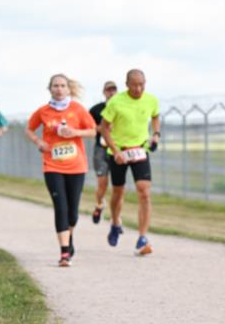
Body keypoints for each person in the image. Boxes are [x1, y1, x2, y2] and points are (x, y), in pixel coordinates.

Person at [26, 74, 97, 267]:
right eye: (55, 86)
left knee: (72, 212)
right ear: (50, 89)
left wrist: (76, 133)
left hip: (76, 166)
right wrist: (38, 141)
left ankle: (69, 238)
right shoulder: (43, 111)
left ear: (68, 89)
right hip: (52, 165)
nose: (58, 89)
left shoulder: (77, 109)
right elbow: (29, 129)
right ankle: (64, 252)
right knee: (61, 208)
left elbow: (93, 130)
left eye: (62, 85)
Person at [100, 69, 160, 255]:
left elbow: (155, 116)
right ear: (127, 84)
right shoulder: (116, 102)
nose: (138, 88)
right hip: (119, 152)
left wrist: (156, 135)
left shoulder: (151, 99)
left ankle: (142, 238)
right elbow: (104, 128)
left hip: (140, 150)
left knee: (144, 192)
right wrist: (116, 151)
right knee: (118, 191)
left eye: (141, 84)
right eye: (134, 85)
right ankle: (116, 222)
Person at [88, 81, 117, 223]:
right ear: (104, 92)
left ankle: (115, 216)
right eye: (108, 90)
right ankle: (99, 205)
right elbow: (88, 127)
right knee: (102, 183)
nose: (111, 92)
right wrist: (102, 128)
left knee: (118, 185)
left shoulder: (122, 108)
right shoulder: (96, 109)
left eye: (114, 90)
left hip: (117, 149)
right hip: (101, 148)